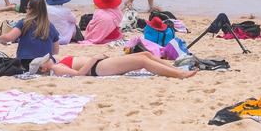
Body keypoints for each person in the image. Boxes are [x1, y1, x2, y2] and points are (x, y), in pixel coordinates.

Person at [28, 52, 197, 78]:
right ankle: (179, 75)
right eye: (45, 61)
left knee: (144, 54)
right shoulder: (56, 68)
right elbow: (78, 76)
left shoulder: (55, 65)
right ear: (43, 68)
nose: (48, 59)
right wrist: (94, 58)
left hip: (99, 64)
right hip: (98, 68)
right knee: (143, 61)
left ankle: (174, 68)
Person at [0, 0, 59, 67]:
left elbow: (9, 38)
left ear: (31, 10)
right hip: (45, 63)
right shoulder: (51, 26)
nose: (26, 10)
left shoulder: (24, 23)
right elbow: (55, 51)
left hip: (25, 62)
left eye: (27, 8)